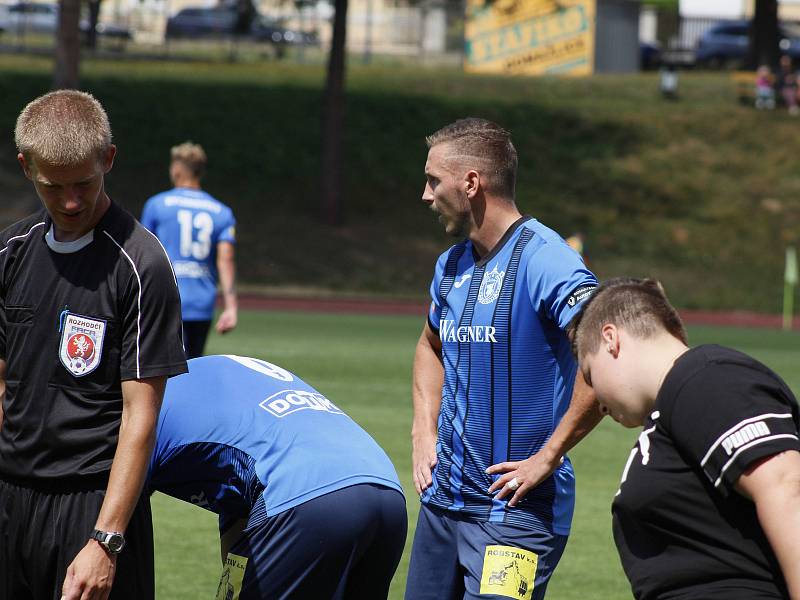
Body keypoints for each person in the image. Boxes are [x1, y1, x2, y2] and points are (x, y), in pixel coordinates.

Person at [0, 90, 187, 599]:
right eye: (52, 186)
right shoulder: (10, 253)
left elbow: (140, 416)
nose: (71, 202)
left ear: (108, 159)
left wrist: (105, 540)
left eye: (83, 183)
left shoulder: (141, 264)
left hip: (90, 505)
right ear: (26, 167)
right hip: (11, 498)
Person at [406, 118, 602, 600]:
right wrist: (422, 429)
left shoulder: (547, 260)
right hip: (442, 508)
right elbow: (430, 345)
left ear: (471, 183)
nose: (425, 195)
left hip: (517, 515)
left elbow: (603, 357)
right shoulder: (450, 265)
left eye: (434, 180)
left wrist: (547, 458)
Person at [571, 277, 800, 599]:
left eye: (591, 374)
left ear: (611, 340)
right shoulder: (673, 405)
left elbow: (785, 488)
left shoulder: (706, 377)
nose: (599, 402)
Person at [147, 354, 407, 599]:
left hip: (306, 496)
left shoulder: (137, 414)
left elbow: (115, 530)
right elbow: (239, 503)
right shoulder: (208, 380)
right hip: (386, 489)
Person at [141, 141, 237, 359]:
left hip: (165, 299)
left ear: (176, 169)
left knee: (164, 368)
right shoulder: (222, 212)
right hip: (202, 302)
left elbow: (143, 252)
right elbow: (226, 260)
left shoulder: (157, 205)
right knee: (193, 366)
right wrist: (231, 307)